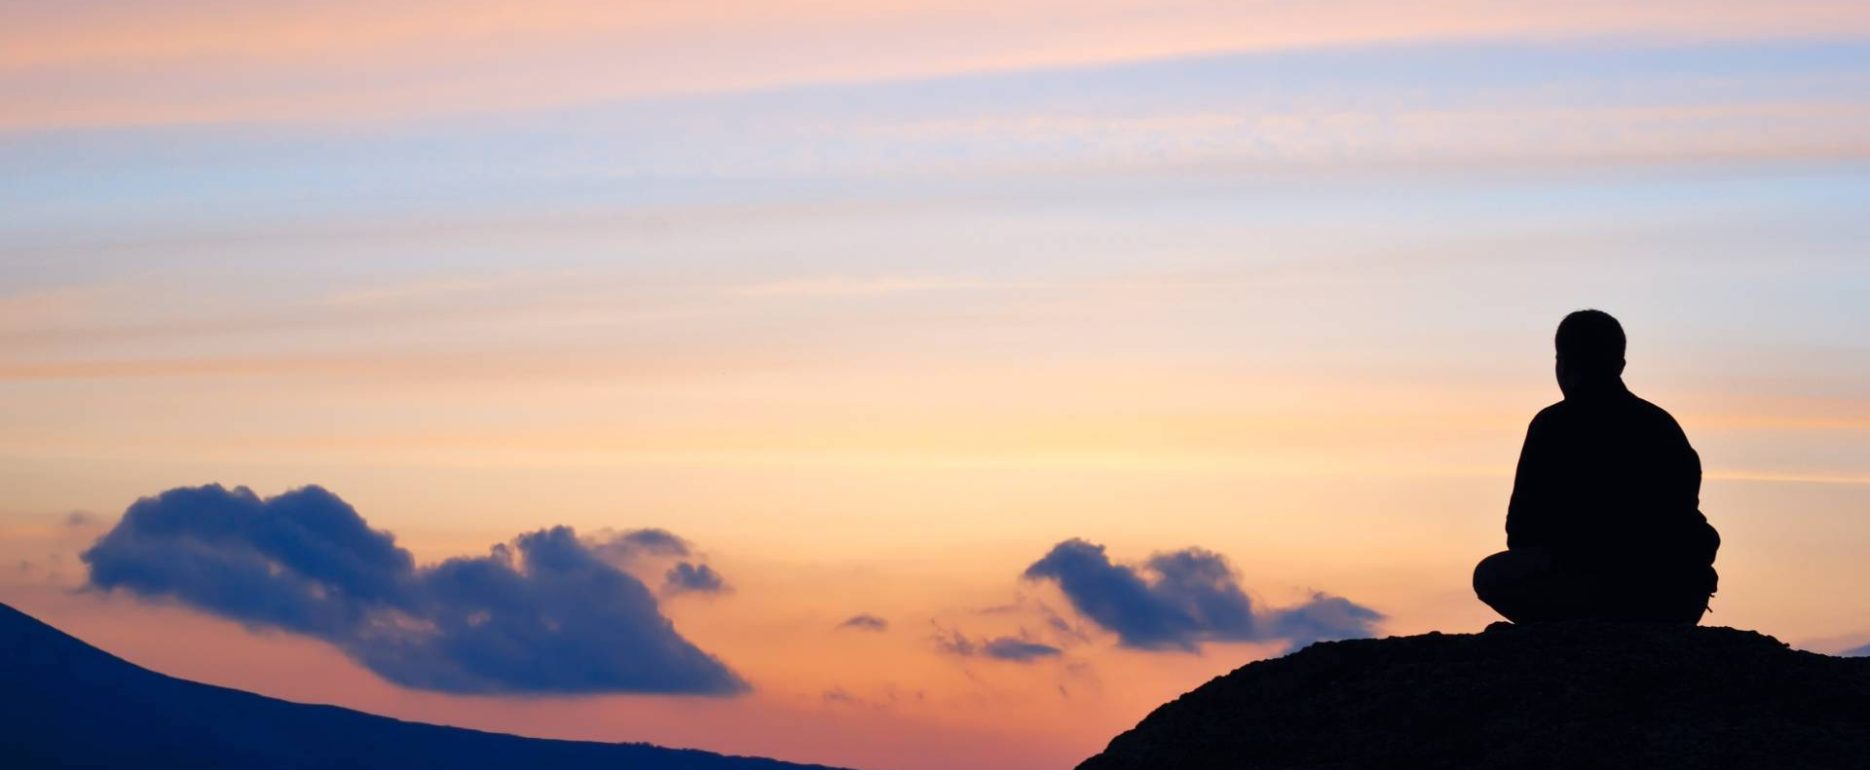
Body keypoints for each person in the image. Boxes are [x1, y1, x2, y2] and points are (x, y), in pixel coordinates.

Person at [1474, 310, 1719, 624]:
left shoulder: (1552, 425)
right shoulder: (1661, 425)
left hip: (1596, 589)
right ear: (1620, 364)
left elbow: (1520, 532)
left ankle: (1573, 625)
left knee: (1489, 574)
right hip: (1676, 597)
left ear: (1561, 363)